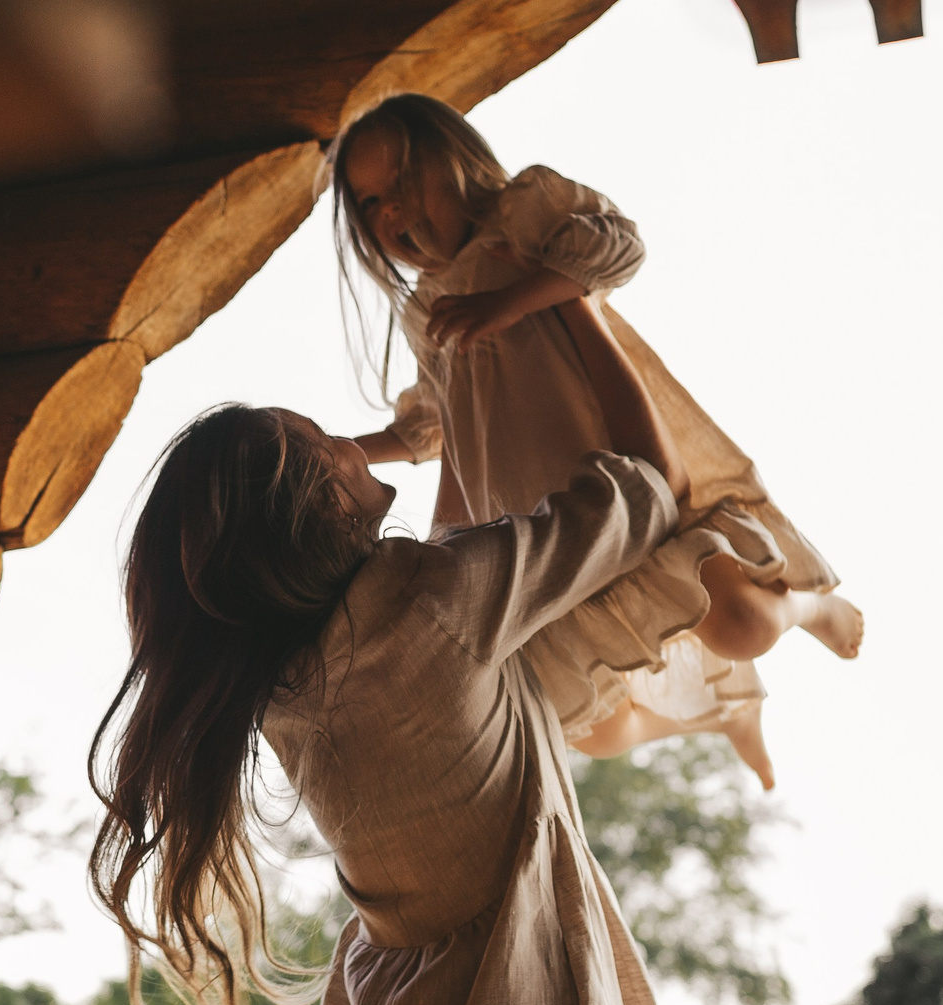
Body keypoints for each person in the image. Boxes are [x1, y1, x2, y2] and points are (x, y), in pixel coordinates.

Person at [89, 296, 757, 1005]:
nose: (357, 450)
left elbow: (438, 546)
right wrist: (569, 298)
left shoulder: (281, 681)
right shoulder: (434, 601)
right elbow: (639, 487)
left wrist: (396, 440)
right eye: (329, 447)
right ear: (314, 502)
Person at [333, 92, 861, 788]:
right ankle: (720, 714)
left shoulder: (524, 214)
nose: (392, 213)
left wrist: (506, 301)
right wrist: (344, 450)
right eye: (371, 204)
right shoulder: (426, 311)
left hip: (617, 456)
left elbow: (615, 246)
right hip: (546, 517)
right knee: (593, 726)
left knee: (740, 624)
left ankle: (810, 605)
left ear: (455, 160)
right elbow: (433, 424)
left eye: (401, 184)